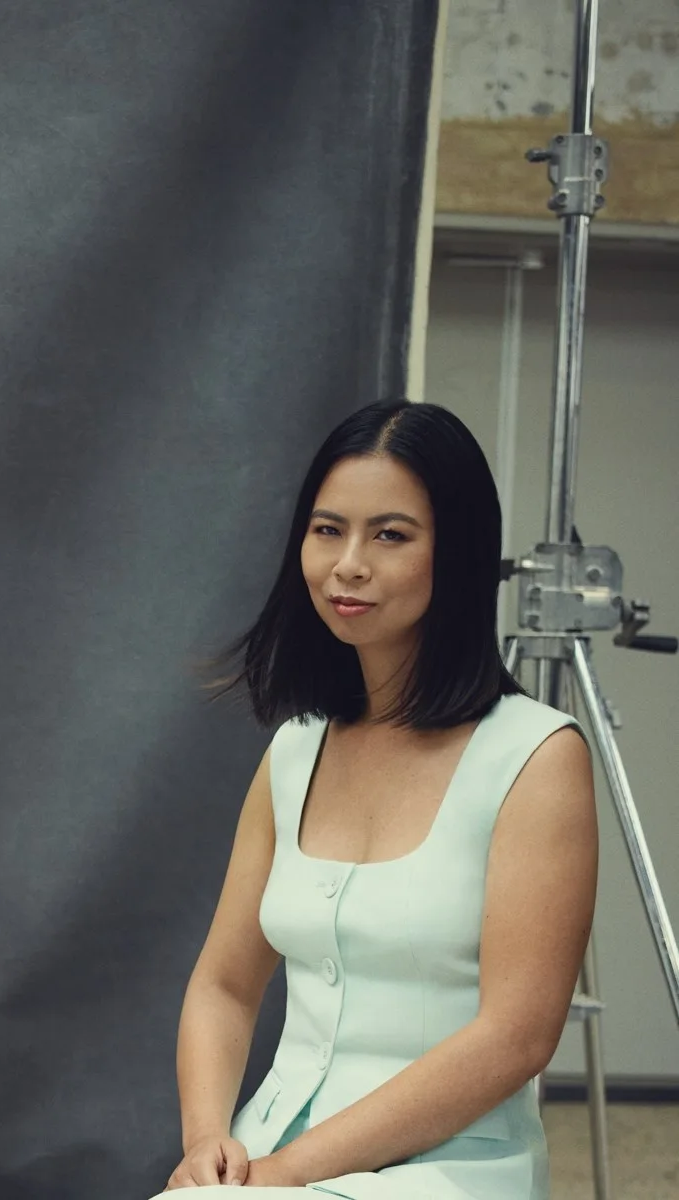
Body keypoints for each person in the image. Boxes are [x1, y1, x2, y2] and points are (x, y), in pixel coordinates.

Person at [155, 400, 597, 1197]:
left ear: (455, 554)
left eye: (390, 535)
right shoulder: (295, 750)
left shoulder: (536, 755)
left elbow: (517, 1038)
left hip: (454, 1167)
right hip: (268, 1153)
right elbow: (223, 984)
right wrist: (207, 1140)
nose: (347, 564)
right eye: (327, 530)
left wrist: (288, 1174)